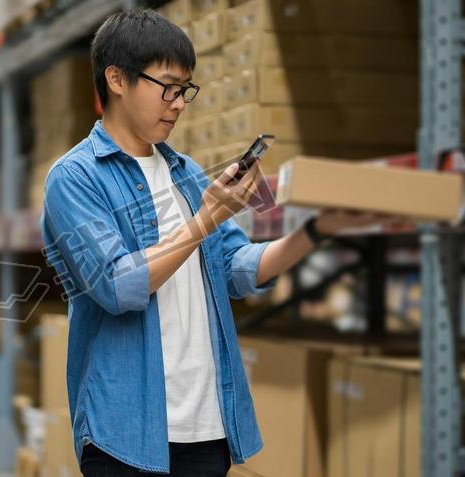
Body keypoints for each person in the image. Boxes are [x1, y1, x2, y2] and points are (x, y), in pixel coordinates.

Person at [40, 9, 399, 477]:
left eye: (185, 90)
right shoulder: (75, 178)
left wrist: (317, 230)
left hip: (205, 428)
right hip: (125, 435)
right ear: (117, 79)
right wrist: (207, 217)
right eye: (167, 87)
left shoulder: (185, 173)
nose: (179, 103)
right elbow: (118, 285)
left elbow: (239, 268)